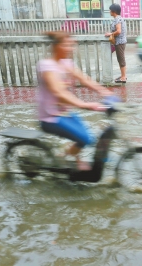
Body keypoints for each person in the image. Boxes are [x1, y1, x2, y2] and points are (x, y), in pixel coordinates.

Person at [37, 31, 112, 170]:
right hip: (50, 118)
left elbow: (83, 79)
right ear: (56, 46)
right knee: (85, 138)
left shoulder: (66, 63)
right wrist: (84, 104)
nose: (71, 49)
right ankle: (65, 157)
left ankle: (63, 156)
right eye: (67, 45)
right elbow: (57, 92)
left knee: (87, 138)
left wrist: (105, 92)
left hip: (65, 113)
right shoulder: (46, 65)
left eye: (71, 45)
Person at [105, 3, 127, 83]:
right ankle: (122, 75)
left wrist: (110, 34)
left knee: (121, 59)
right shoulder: (118, 18)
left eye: (110, 10)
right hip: (120, 42)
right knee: (120, 59)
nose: (109, 11)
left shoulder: (118, 19)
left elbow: (119, 31)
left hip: (120, 42)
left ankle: (123, 77)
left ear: (113, 11)